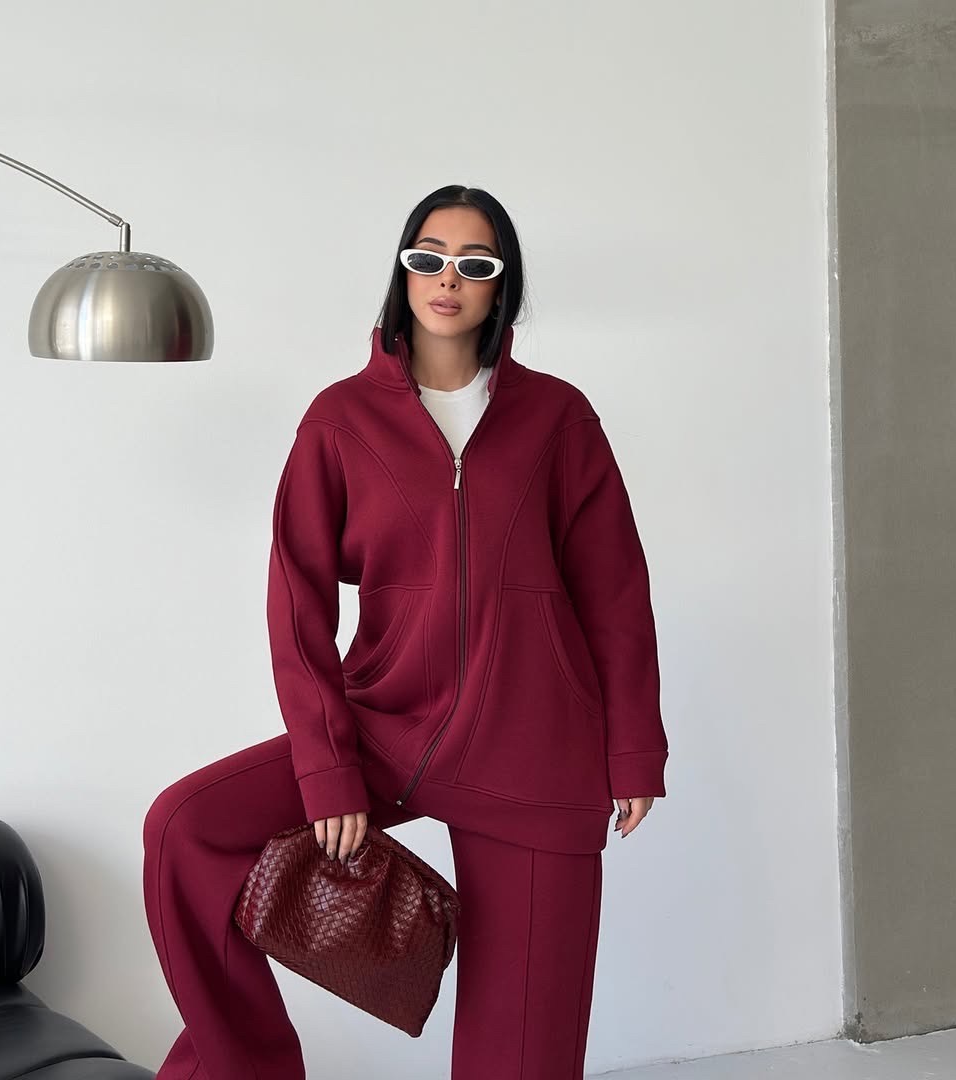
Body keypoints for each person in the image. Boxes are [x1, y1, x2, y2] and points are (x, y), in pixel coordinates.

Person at [142, 185, 669, 1079]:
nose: (447, 279)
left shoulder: (559, 418)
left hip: (533, 748)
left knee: (524, 1059)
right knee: (182, 830)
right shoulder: (341, 420)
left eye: (474, 263)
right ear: (404, 271)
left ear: (502, 286)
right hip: (387, 727)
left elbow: (615, 594)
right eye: (428, 258)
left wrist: (634, 751)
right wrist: (327, 767)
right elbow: (298, 604)